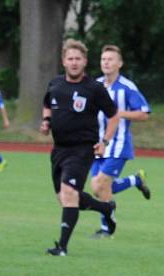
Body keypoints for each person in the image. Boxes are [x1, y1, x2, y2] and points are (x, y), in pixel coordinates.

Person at [40, 39, 119, 256]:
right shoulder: (55, 84)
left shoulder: (94, 88)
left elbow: (114, 115)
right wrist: (46, 121)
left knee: (69, 193)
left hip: (82, 150)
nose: (74, 62)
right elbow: (48, 103)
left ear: (85, 61)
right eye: (70, 58)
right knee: (65, 198)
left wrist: (104, 142)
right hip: (58, 150)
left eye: (78, 58)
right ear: (63, 61)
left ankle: (62, 247)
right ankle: (105, 208)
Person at [90, 44, 152, 238]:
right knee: (97, 188)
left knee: (101, 184)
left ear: (120, 63)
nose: (106, 62)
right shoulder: (96, 84)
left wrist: (118, 113)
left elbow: (144, 113)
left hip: (118, 145)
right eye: (103, 59)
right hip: (98, 144)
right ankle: (135, 180)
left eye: (110, 59)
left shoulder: (126, 87)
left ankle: (107, 228)